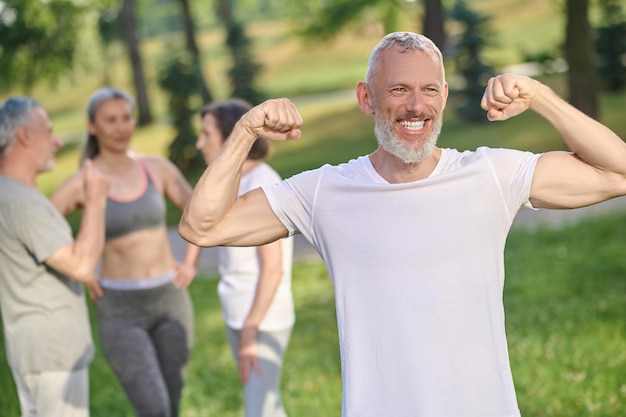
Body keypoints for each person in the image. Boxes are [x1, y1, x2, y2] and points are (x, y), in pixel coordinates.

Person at [179, 31, 626, 417]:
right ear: (365, 98)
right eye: (398, 90)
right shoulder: (323, 192)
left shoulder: (490, 174)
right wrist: (244, 132)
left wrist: (539, 96)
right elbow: (203, 227)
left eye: (429, 90)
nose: (416, 105)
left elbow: (617, 172)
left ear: (445, 96)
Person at [51, 87, 200, 417]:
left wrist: (190, 263)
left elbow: (200, 213)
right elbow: (43, 227)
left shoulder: (157, 168)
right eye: (111, 120)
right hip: (119, 308)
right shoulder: (83, 182)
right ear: (93, 126)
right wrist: (81, 270)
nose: (121, 127)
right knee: (154, 407)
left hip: (170, 298)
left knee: (172, 403)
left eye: (127, 118)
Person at [0, 96, 109, 417]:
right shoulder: (21, 202)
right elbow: (80, 263)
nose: (57, 142)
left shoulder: (11, 194)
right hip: (53, 354)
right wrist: (97, 199)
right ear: (23, 136)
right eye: (48, 132)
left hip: (32, 351)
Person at [196, 98, 295, 417]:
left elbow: (273, 268)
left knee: (259, 410)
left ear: (231, 137)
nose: (199, 144)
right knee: (266, 405)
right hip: (240, 314)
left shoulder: (262, 183)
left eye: (206, 135)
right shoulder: (234, 180)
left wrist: (251, 330)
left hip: (262, 321)